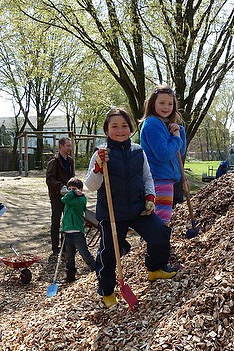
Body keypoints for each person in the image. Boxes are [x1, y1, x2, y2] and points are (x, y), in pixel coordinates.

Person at [85, 108, 177, 308]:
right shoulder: (100, 154)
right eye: (114, 126)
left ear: (131, 128)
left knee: (160, 232)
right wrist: (98, 167)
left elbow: (147, 177)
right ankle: (107, 291)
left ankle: (155, 267)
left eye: (124, 125)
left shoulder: (138, 151)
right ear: (107, 130)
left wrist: (150, 196)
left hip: (137, 208)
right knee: (109, 252)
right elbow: (90, 185)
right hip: (112, 212)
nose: (120, 130)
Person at [140, 84, 186, 225]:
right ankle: (161, 244)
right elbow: (164, 154)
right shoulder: (153, 123)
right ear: (153, 103)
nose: (166, 107)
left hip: (166, 179)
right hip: (158, 178)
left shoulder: (165, 124)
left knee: (162, 217)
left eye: (170, 104)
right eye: (161, 103)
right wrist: (176, 138)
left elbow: (179, 152)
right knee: (161, 219)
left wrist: (179, 132)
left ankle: (160, 243)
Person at [61, 177, 96, 283]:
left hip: (77, 232)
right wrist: (63, 230)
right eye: (69, 189)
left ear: (80, 189)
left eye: (74, 189)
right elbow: (64, 201)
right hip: (68, 232)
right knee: (69, 256)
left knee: (84, 253)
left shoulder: (81, 200)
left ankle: (95, 269)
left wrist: (73, 193)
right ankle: (70, 275)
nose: (71, 191)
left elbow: (65, 199)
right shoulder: (69, 199)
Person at [46, 137, 75, 255]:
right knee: (56, 221)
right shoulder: (54, 161)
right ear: (61, 146)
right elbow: (49, 179)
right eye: (68, 146)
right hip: (57, 196)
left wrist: (74, 187)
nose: (70, 148)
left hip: (68, 196)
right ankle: (55, 248)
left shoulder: (70, 161)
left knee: (67, 222)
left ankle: (65, 246)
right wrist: (61, 187)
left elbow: (72, 176)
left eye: (70, 146)